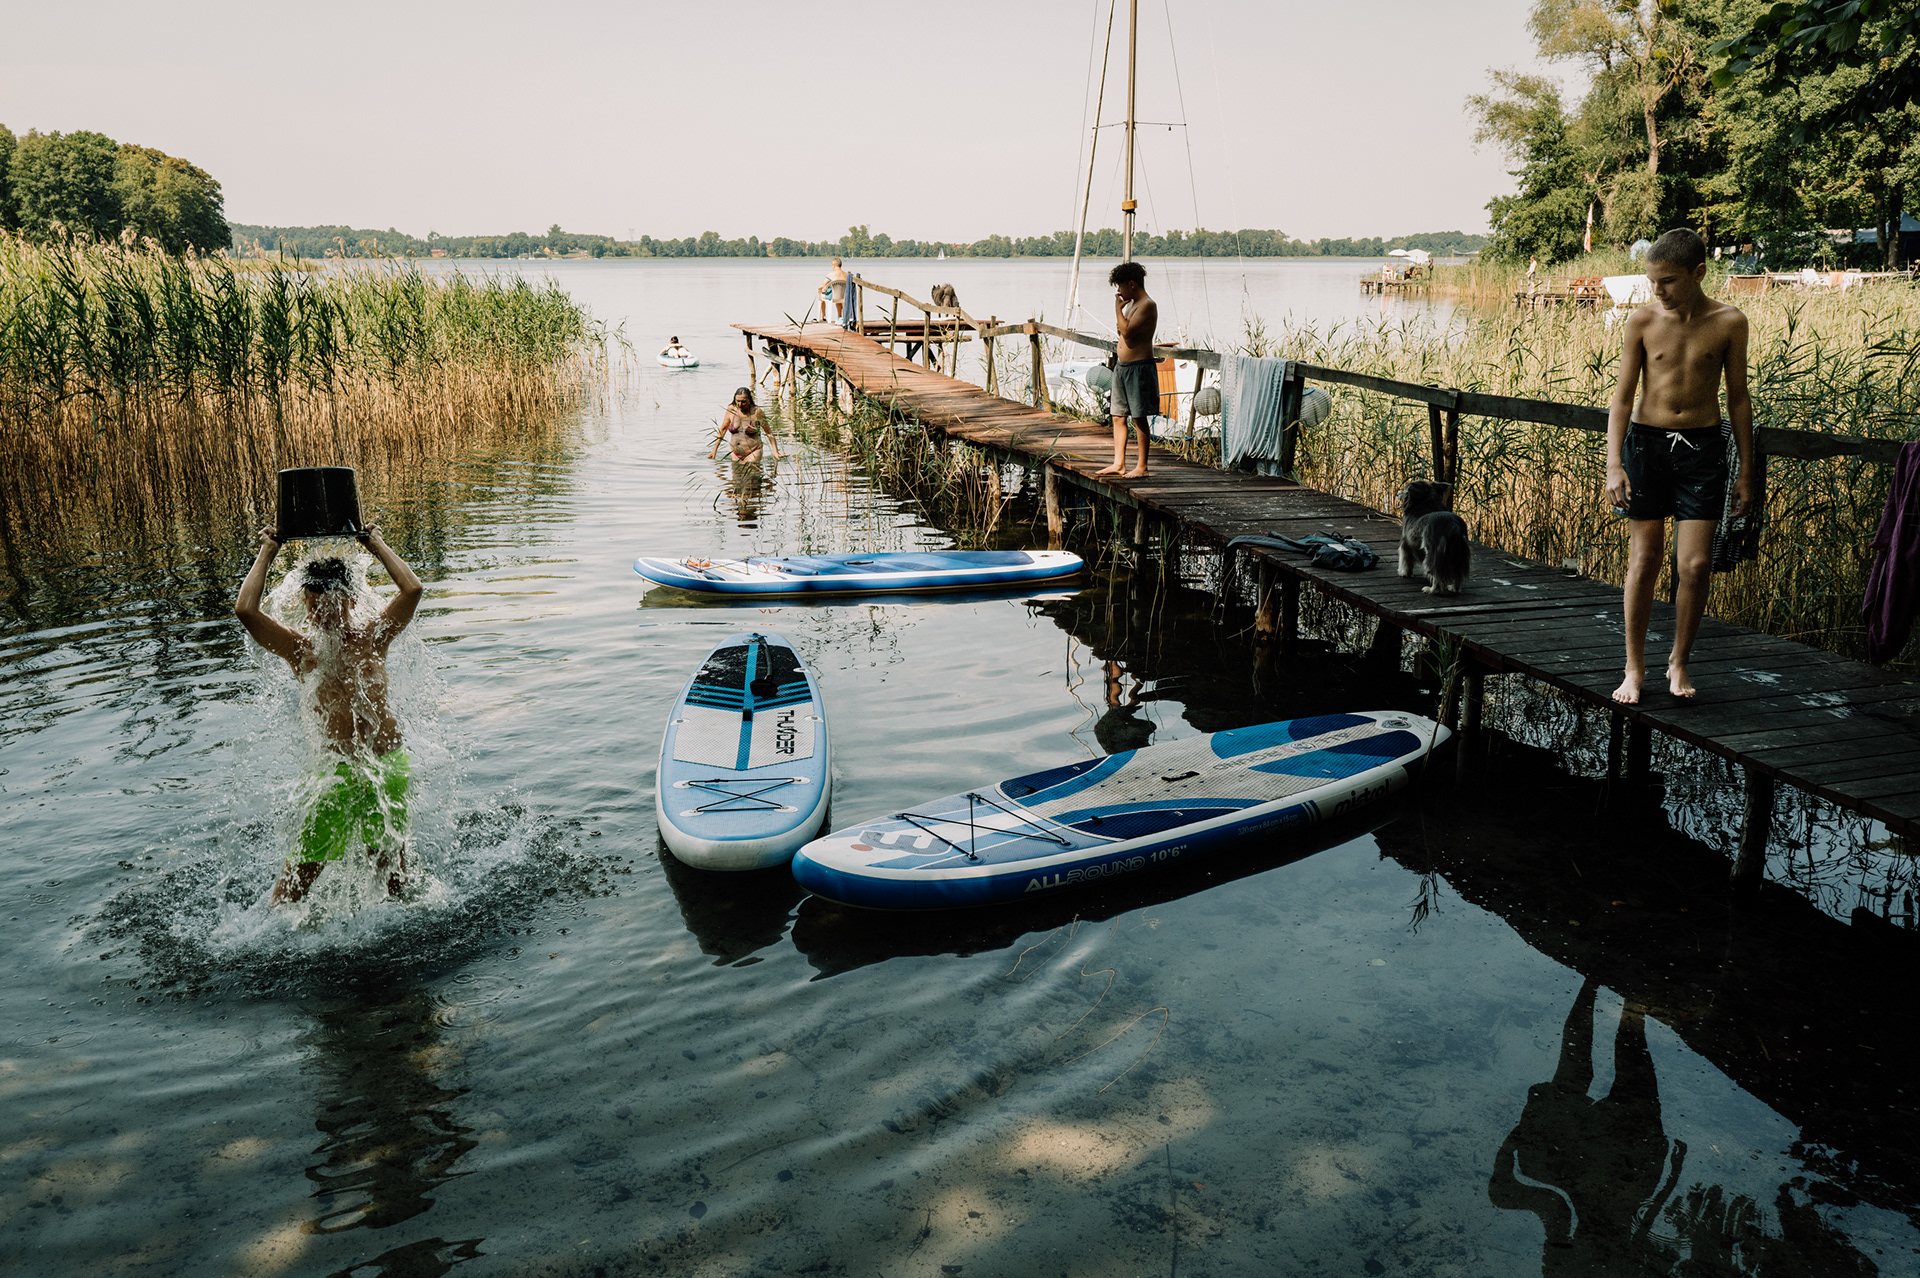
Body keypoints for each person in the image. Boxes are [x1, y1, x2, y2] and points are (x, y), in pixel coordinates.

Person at [234, 525, 426, 903]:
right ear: (304, 603)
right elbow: (245, 610)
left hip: (386, 766)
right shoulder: (299, 650)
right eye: (312, 605)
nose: (321, 614)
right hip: (336, 778)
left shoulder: (375, 637)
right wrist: (268, 550)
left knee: (396, 883)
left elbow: (413, 590)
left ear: (351, 602)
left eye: (331, 605)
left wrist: (376, 544)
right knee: (291, 891)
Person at [1605, 228, 1752, 704]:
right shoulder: (1642, 321)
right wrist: (1614, 465)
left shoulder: (1730, 322)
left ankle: (1679, 660)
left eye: (1667, 281)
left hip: (1702, 450)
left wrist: (1745, 471)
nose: (1658, 291)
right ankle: (1633, 667)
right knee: (1644, 560)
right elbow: (1622, 398)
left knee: (1695, 564)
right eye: (1653, 281)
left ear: (1699, 273)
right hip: (1646, 447)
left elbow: (1739, 399)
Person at [1095, 261, 1159, 480]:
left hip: (1139, 367)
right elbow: (1121, 328)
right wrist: (1121, 311)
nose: (1119, 293)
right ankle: (1119, 463)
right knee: (1118, 416)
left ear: (1132, 284)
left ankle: (1142, 466)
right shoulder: (1130, 305)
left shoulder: (1147, 304)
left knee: (1138, 417)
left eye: (1121, 287)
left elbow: (1128, 332)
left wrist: (1117, 309)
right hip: (1122, 368)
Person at [708, 387, 780, 464]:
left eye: (743, 402)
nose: (740, 404)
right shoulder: (731, 409)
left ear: (749, 400)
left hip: (753, 452)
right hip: (735, 454)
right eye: (738, 401)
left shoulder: (757, 412)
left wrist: (776, 452)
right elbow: (723, 429)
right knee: (737, 475)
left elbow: (769, 432)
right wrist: (714, 450)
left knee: (752, 473)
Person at [820, 258, 848, 322]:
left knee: (821, 297)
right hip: (843, 296)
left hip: (832, 296)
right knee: (839, 298)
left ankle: (824, 316)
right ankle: (839, 316)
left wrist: (819, 288)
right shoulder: (846, 275)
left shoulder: (831, 274)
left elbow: (823, 285)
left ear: (833, 265)